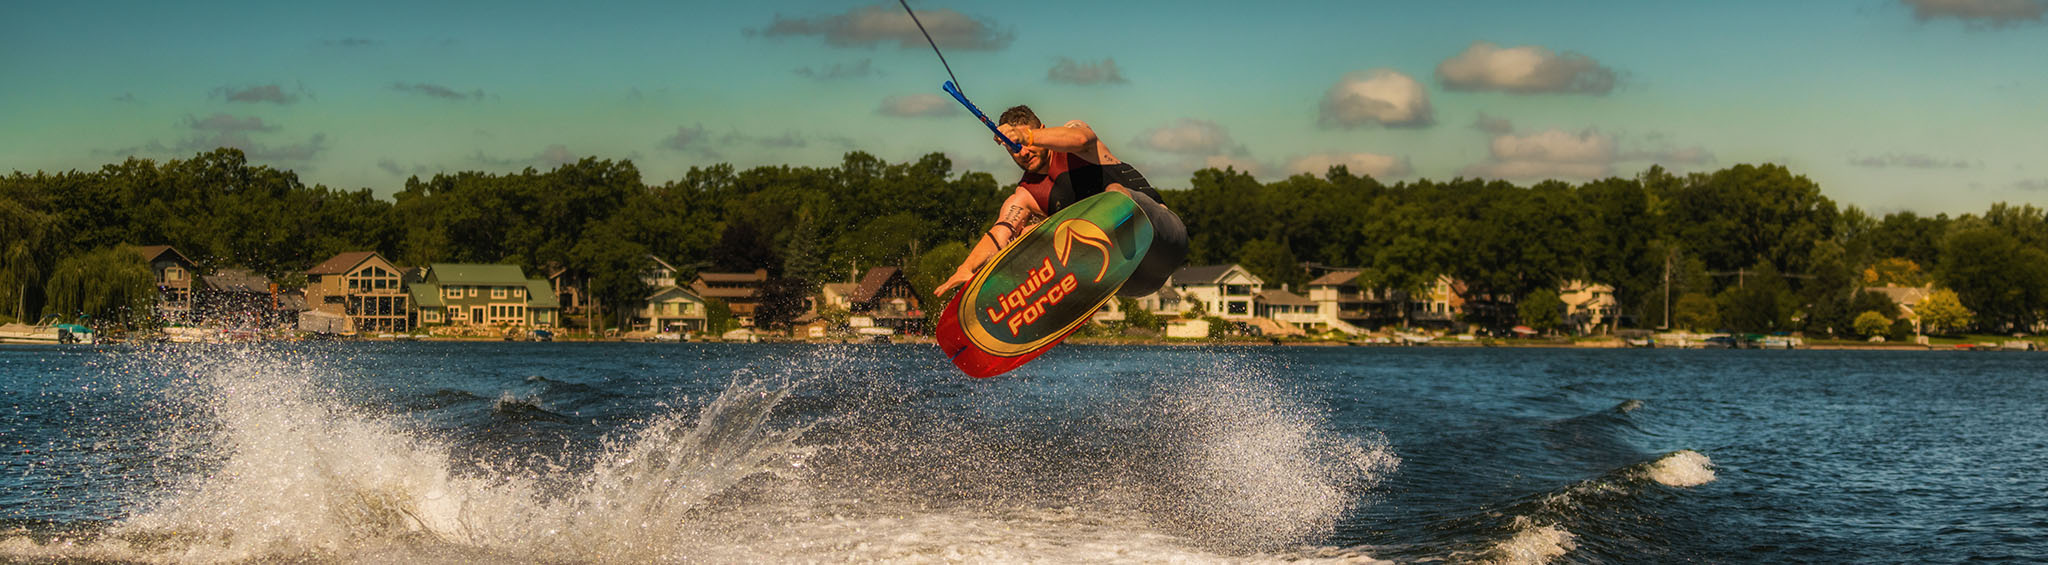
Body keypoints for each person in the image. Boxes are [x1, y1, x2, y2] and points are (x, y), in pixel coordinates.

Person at [933, 105, 1187, 298]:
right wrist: (967, 268)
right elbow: (1002, 230)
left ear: (1041, 130)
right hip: (1126, 279)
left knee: (1114, 192)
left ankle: (1109, 237)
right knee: (1029, 234)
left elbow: (1078, 138)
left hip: (1160, 241)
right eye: (1013, 148)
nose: (1022, 152)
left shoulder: (1078, 144)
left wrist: (1026, 136)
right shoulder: (1025, 194)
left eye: (1022, 142)